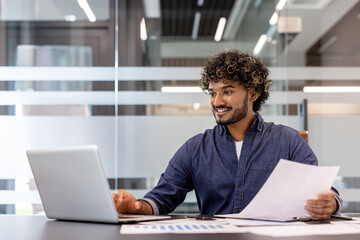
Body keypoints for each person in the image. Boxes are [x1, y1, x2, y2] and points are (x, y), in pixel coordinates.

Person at [112, 50, 343, 219]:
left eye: (228, 91)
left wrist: (329, 203)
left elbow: (323, 192)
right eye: (213, 93)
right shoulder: (196, 148)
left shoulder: (288, 140)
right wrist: (134, 207)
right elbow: (161, 199)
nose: (217, 101)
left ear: (252, 94)